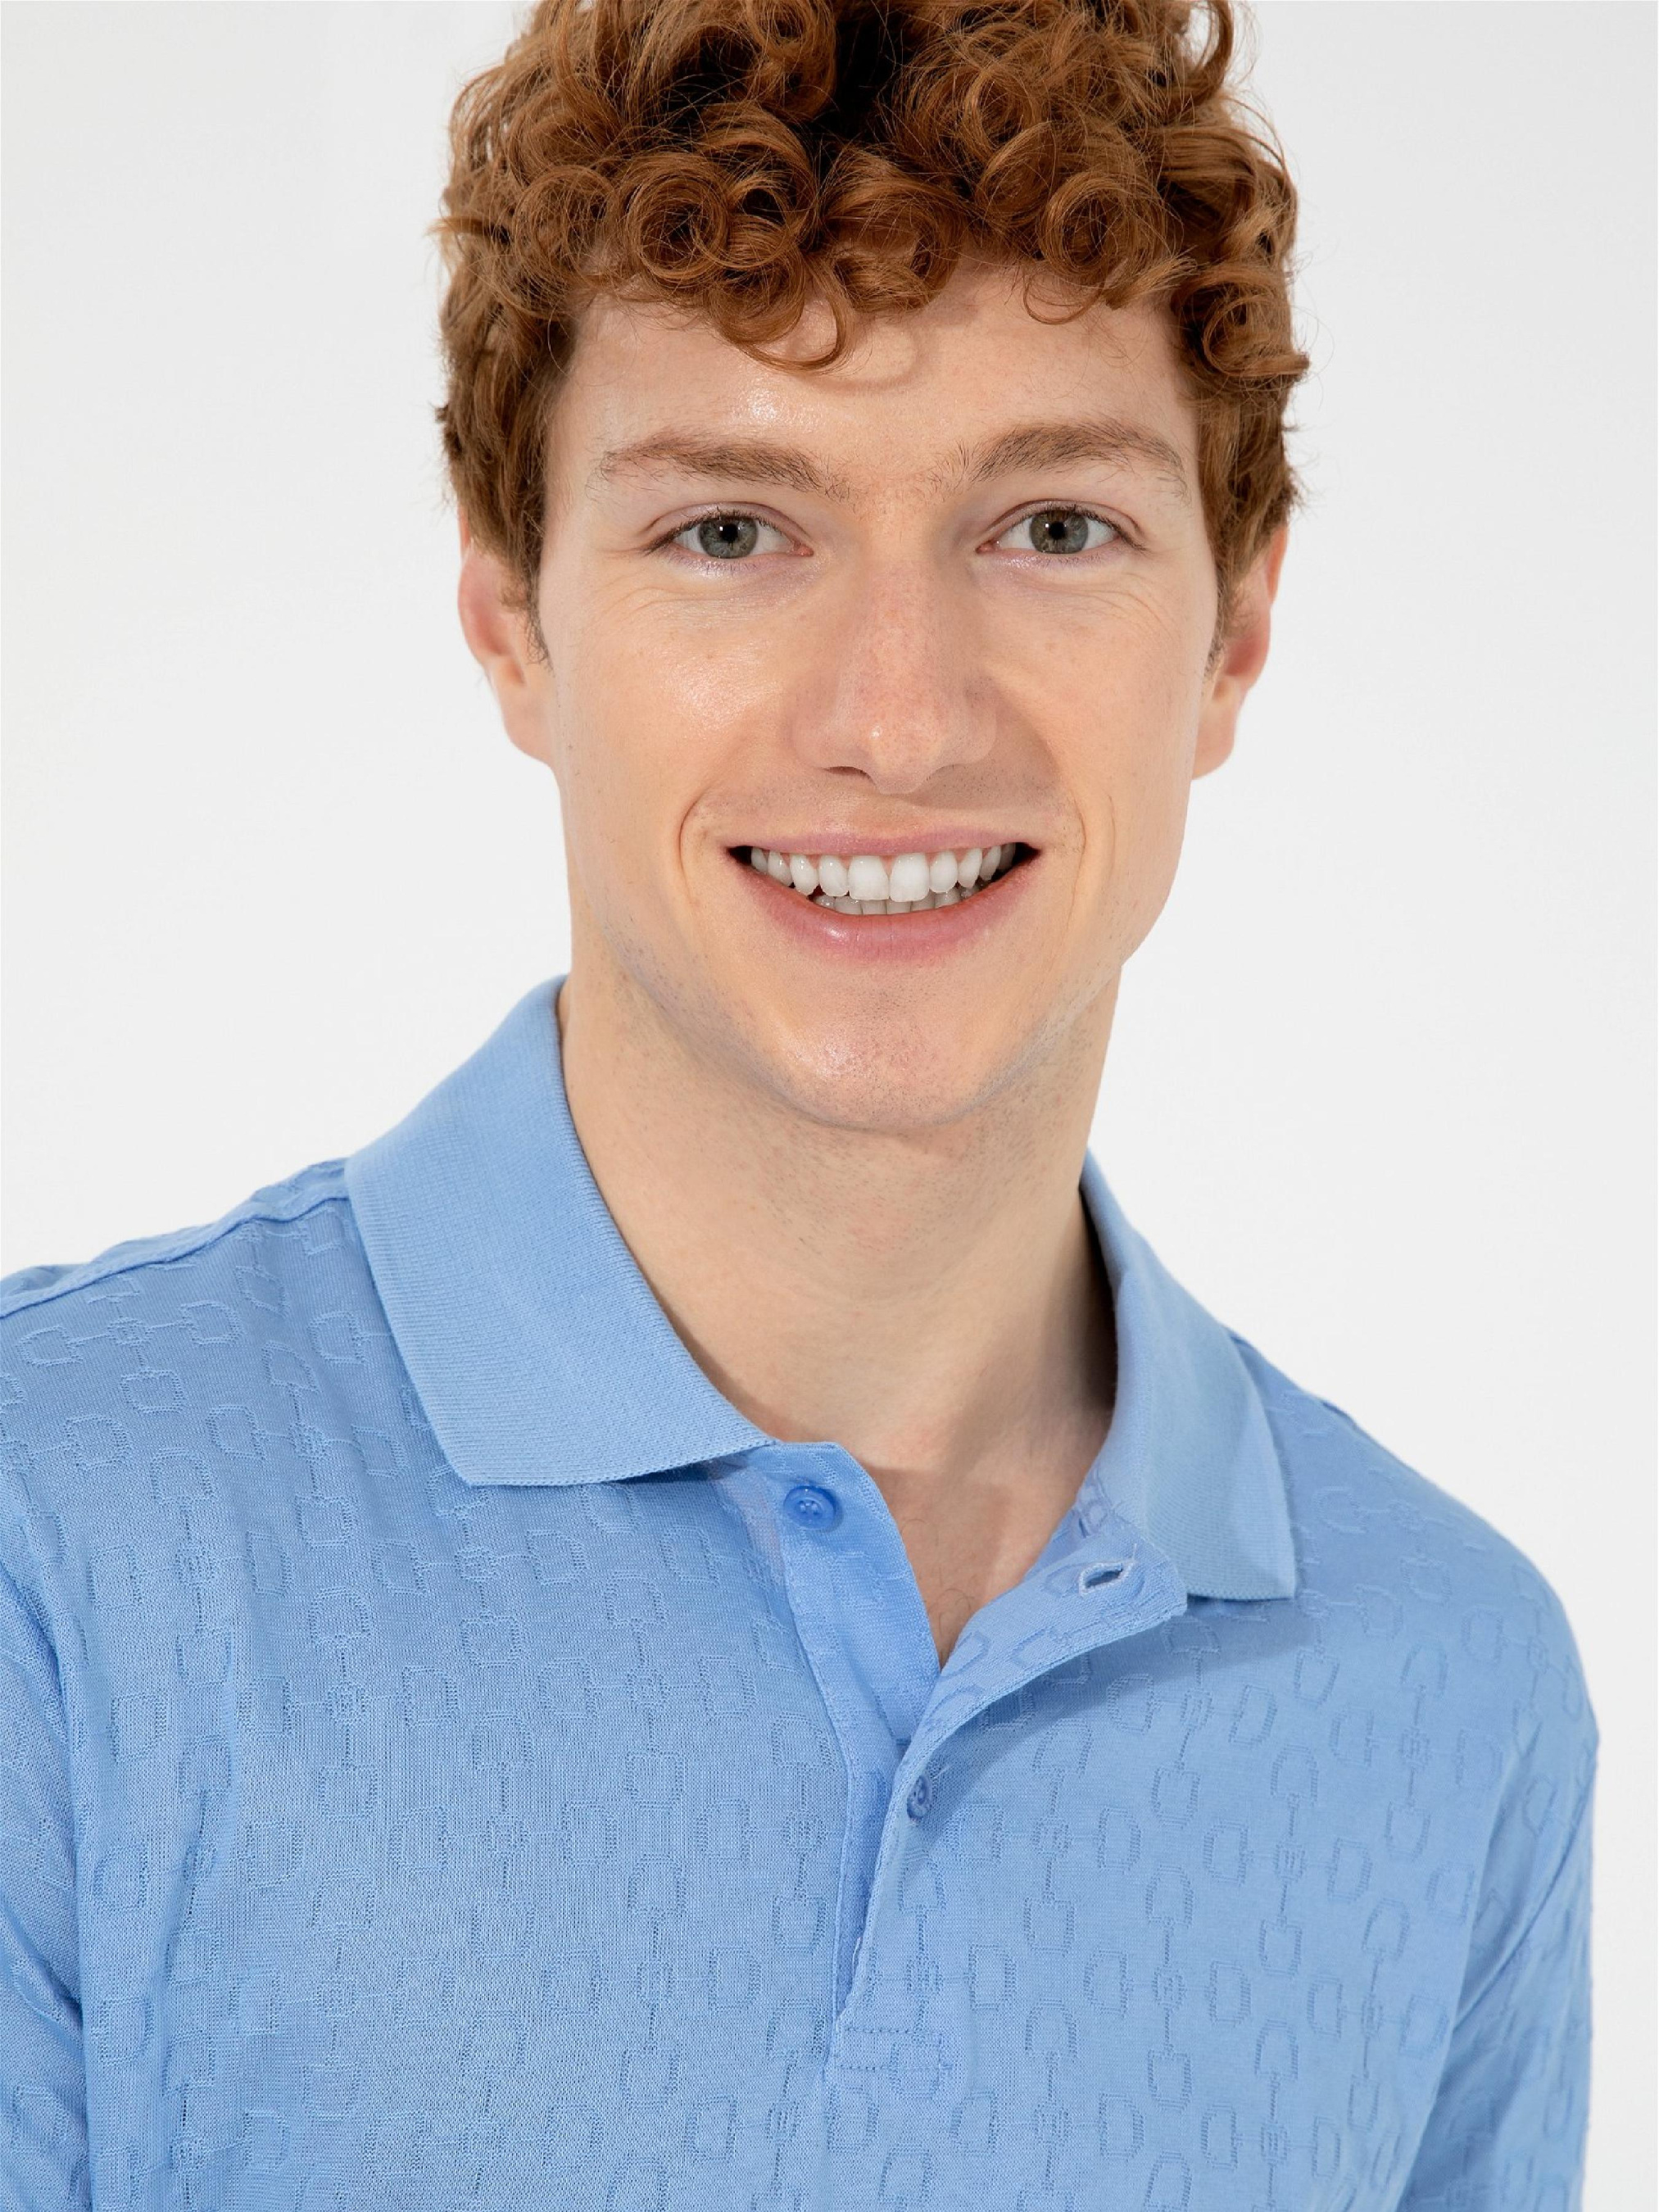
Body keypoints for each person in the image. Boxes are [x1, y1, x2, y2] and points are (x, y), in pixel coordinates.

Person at [1, 0, 1596, 2204]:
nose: (898, 717)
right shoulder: (56, 1534)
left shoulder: (1450, 1682)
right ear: (510, 620)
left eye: (1052, 524)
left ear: (1234, 634)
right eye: (733, 531)